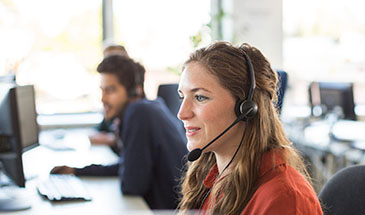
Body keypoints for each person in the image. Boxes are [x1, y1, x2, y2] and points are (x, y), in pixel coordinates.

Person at [177, 41, 323, 215]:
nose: (182, 113)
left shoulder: (284, 198)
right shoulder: (213, 178)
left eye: (200, 97)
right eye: (182, 97)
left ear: (245, 108)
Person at [51, 55, 188, 210]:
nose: (103, 99)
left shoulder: (139, 113)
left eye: (110, 90)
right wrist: (76, 171)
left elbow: (132, 185)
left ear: (131, 92)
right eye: (102, 91)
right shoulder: (148, 108)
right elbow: (128, 165)